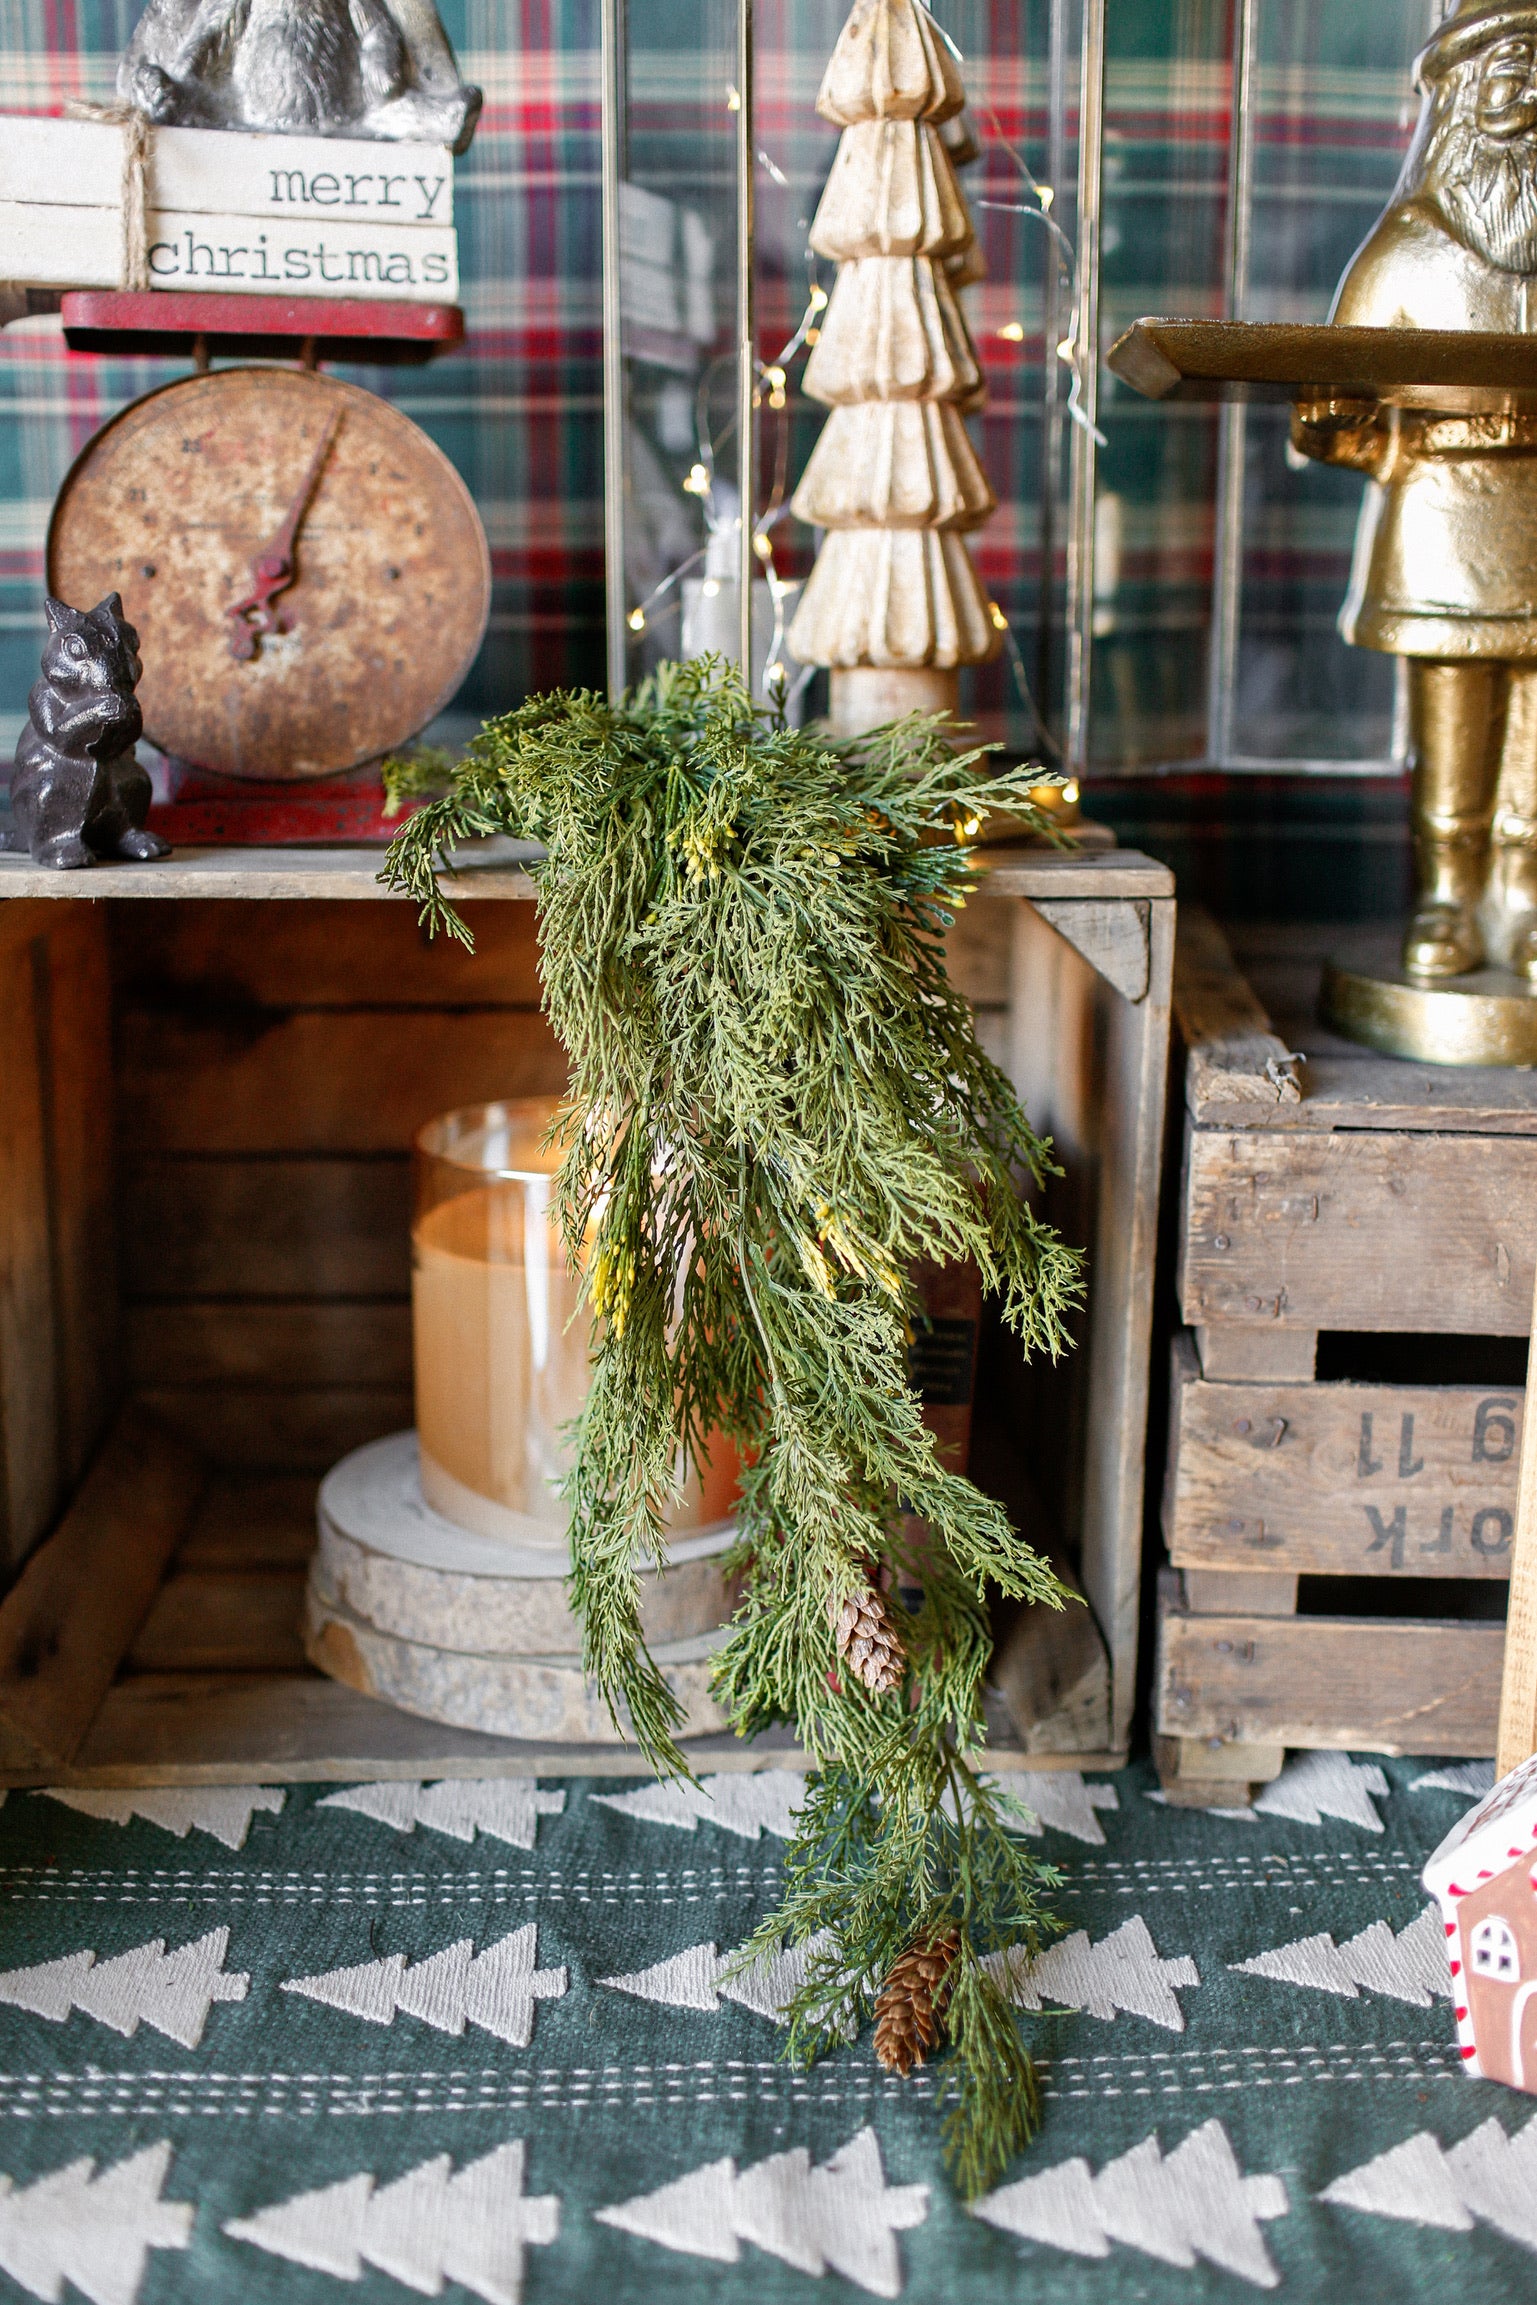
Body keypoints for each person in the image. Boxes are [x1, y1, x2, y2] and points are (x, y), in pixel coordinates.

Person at [1294, 0, 1537, 979]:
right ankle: (1446, 891)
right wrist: (1412, 445)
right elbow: (1323, 411)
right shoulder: (1404, 251)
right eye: (1506, 70)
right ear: (1459, 100)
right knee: (1451, 705)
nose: (1525, 92)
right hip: (1443, 528)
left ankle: (1520, 893)